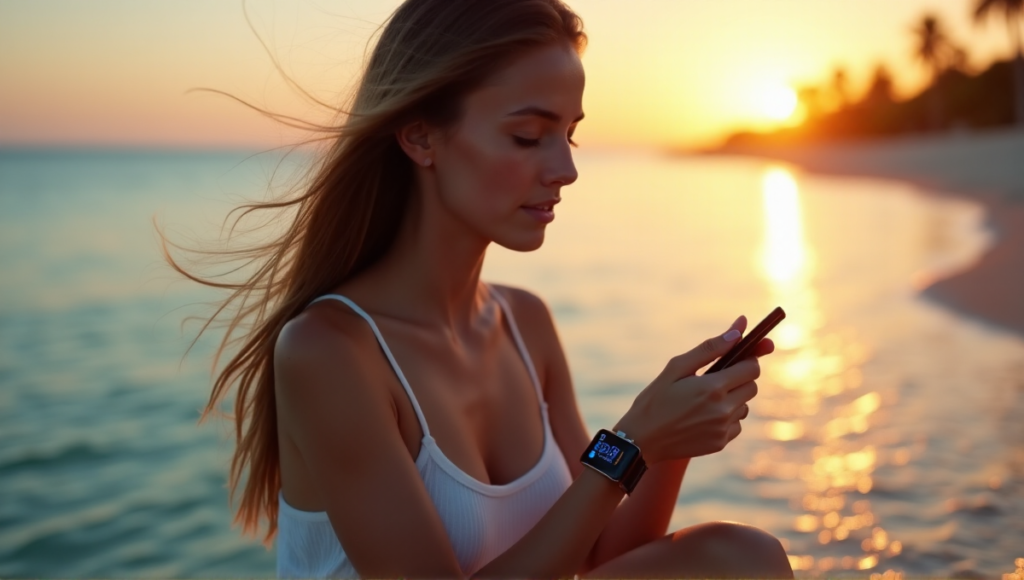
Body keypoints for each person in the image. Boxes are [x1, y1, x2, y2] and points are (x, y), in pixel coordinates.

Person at [173, 0, 795, 577]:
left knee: (737, 558)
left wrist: (668, 439)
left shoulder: (524, 324)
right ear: (420, 136)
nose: (566, 169)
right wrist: (629, 446)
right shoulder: (329, 352)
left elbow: (606, 555)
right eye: (528, 136)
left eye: (569, 134)